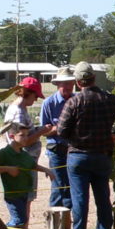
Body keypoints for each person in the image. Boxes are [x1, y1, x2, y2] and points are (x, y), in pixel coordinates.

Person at [57, 62, 115, 229]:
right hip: (102, 156)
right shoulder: (108, 99)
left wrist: (74, 138)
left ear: (78, 82)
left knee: (79, 201)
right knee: (103, 199)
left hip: (78, 156)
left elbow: (61, 130)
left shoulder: (74, 102)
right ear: (94, 79)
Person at [0, 123, 54, 229]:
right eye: (22, 135)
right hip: (12, 193)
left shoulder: (23, 152)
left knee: (21, 221)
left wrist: (46, 170)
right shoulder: (5, 153)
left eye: (27, 135)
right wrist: (7, 169)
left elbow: (32, 165)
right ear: (12, 136)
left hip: (24, 191)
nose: (26, 138)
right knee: (19, 220)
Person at [4, 76, 55, 197]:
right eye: (36, 96)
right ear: (28, 93)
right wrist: (41, 132)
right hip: (23, 164)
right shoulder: (18, 113)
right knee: (25, 200)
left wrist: (39, 129)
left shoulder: (19, 109)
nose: (36, 99)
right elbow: (23, 142)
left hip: (25, 162)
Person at [39, 66, 77, 210]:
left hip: (74, 150)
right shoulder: (49, 103)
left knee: (71, 186)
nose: (67, 87)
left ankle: (66, 223)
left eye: (70, 83)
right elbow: (44, 130)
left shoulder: (77, 100)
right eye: (64, 83)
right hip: (56, 151)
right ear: (58, 84)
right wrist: (63, 128)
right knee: (59, 186)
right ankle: (55, 224)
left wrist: (57, 128)